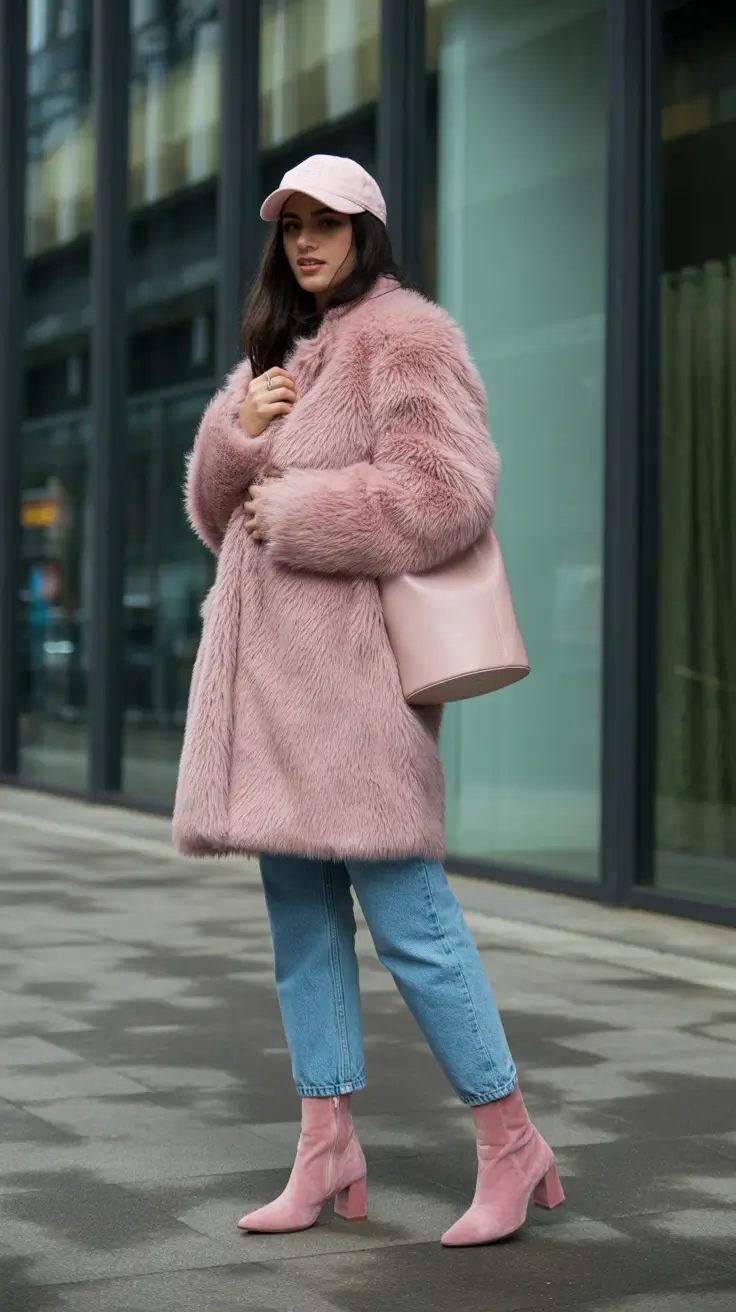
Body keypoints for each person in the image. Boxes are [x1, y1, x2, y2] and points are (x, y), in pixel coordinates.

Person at [173, 154, 564, 1247]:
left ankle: (510, 1141)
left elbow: (449, 492)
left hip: (355, 701)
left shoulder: (407, 337)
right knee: (302, 929)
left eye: (327, 222)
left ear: (367, 231)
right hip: (269, 701)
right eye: (291, 224)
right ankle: (326, 1146)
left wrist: (304, 509)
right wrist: (238, 432)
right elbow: (216, 522)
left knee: (415, 927)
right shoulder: (279, 355)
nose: (305, 241)